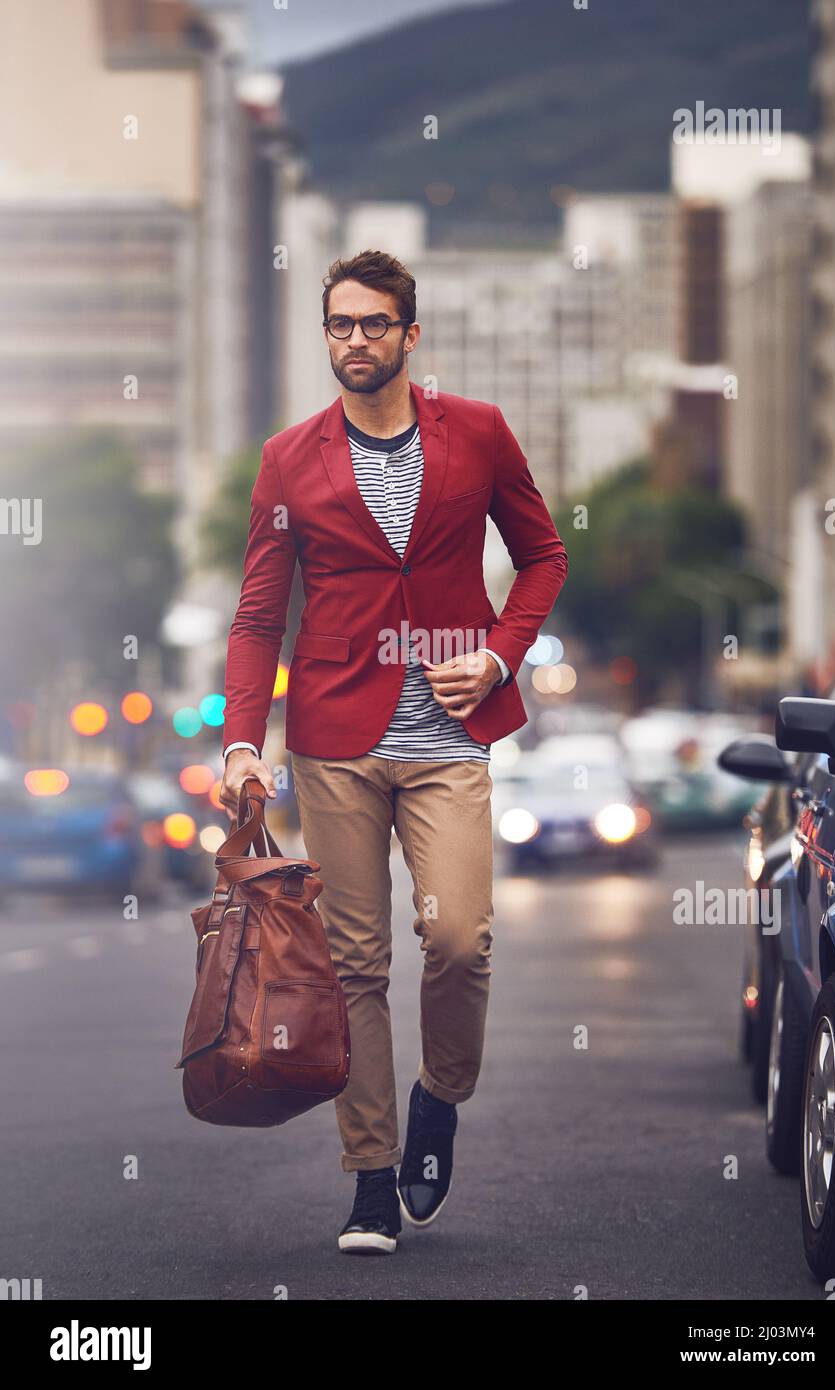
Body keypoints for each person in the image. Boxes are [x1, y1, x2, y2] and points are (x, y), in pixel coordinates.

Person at [221, 249, 568, 1254]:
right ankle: (371, 1175)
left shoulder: (481, 433)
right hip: (334, 738)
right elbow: (256, 617)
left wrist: (501, 658)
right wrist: (245, 740)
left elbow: (542, 555)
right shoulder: (289, 458)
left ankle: (439, 1095)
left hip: (449, 740)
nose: (356, 340)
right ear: (324, 335)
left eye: (375, 324)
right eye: (339, 324)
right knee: (355, 965)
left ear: (410, 335)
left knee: (459, 938)